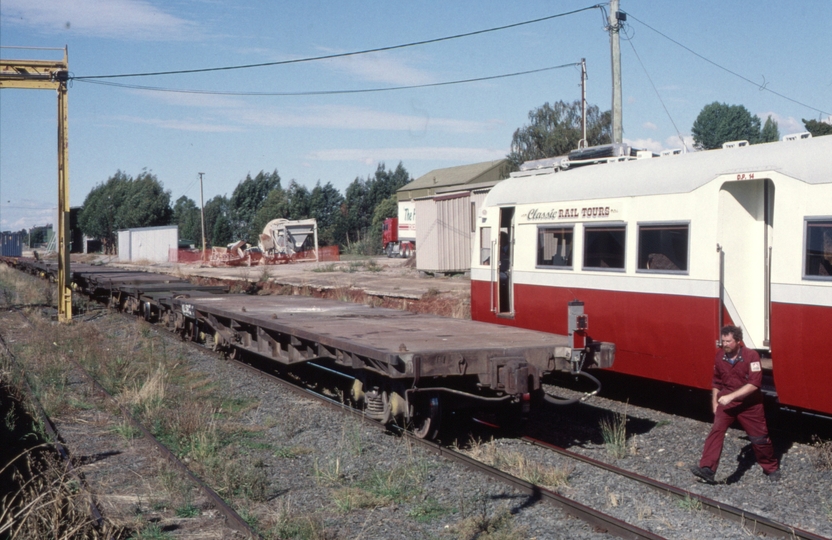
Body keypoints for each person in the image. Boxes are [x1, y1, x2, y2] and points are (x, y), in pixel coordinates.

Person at [691, 325, 780, 483]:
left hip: (750, 405)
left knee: (759, 439)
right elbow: (716, 382)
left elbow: (754, 384)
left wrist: (731, 397)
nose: (724, 344)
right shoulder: (720, 357)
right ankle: (707, 469)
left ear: (738, 341)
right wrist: (714, 402)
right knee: (716, 431)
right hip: (727, 403)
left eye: (728, 341)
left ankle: (770, 467)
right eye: (723, 341)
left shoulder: (751, 356)